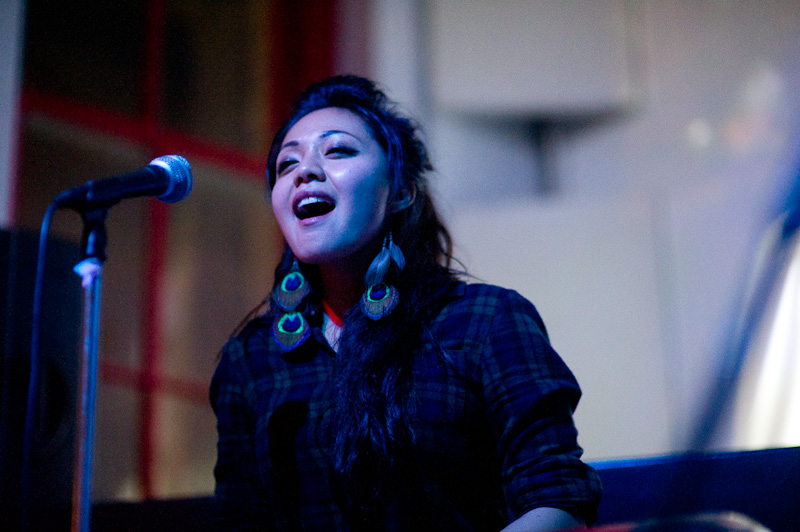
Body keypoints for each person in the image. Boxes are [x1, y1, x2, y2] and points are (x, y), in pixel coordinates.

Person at [210, 75, 602, 531]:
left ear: (401, 191)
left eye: (338, 151)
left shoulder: (486, 322)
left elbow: (557, 499)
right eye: (286, 164)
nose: (305, 172)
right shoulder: (250, 359)